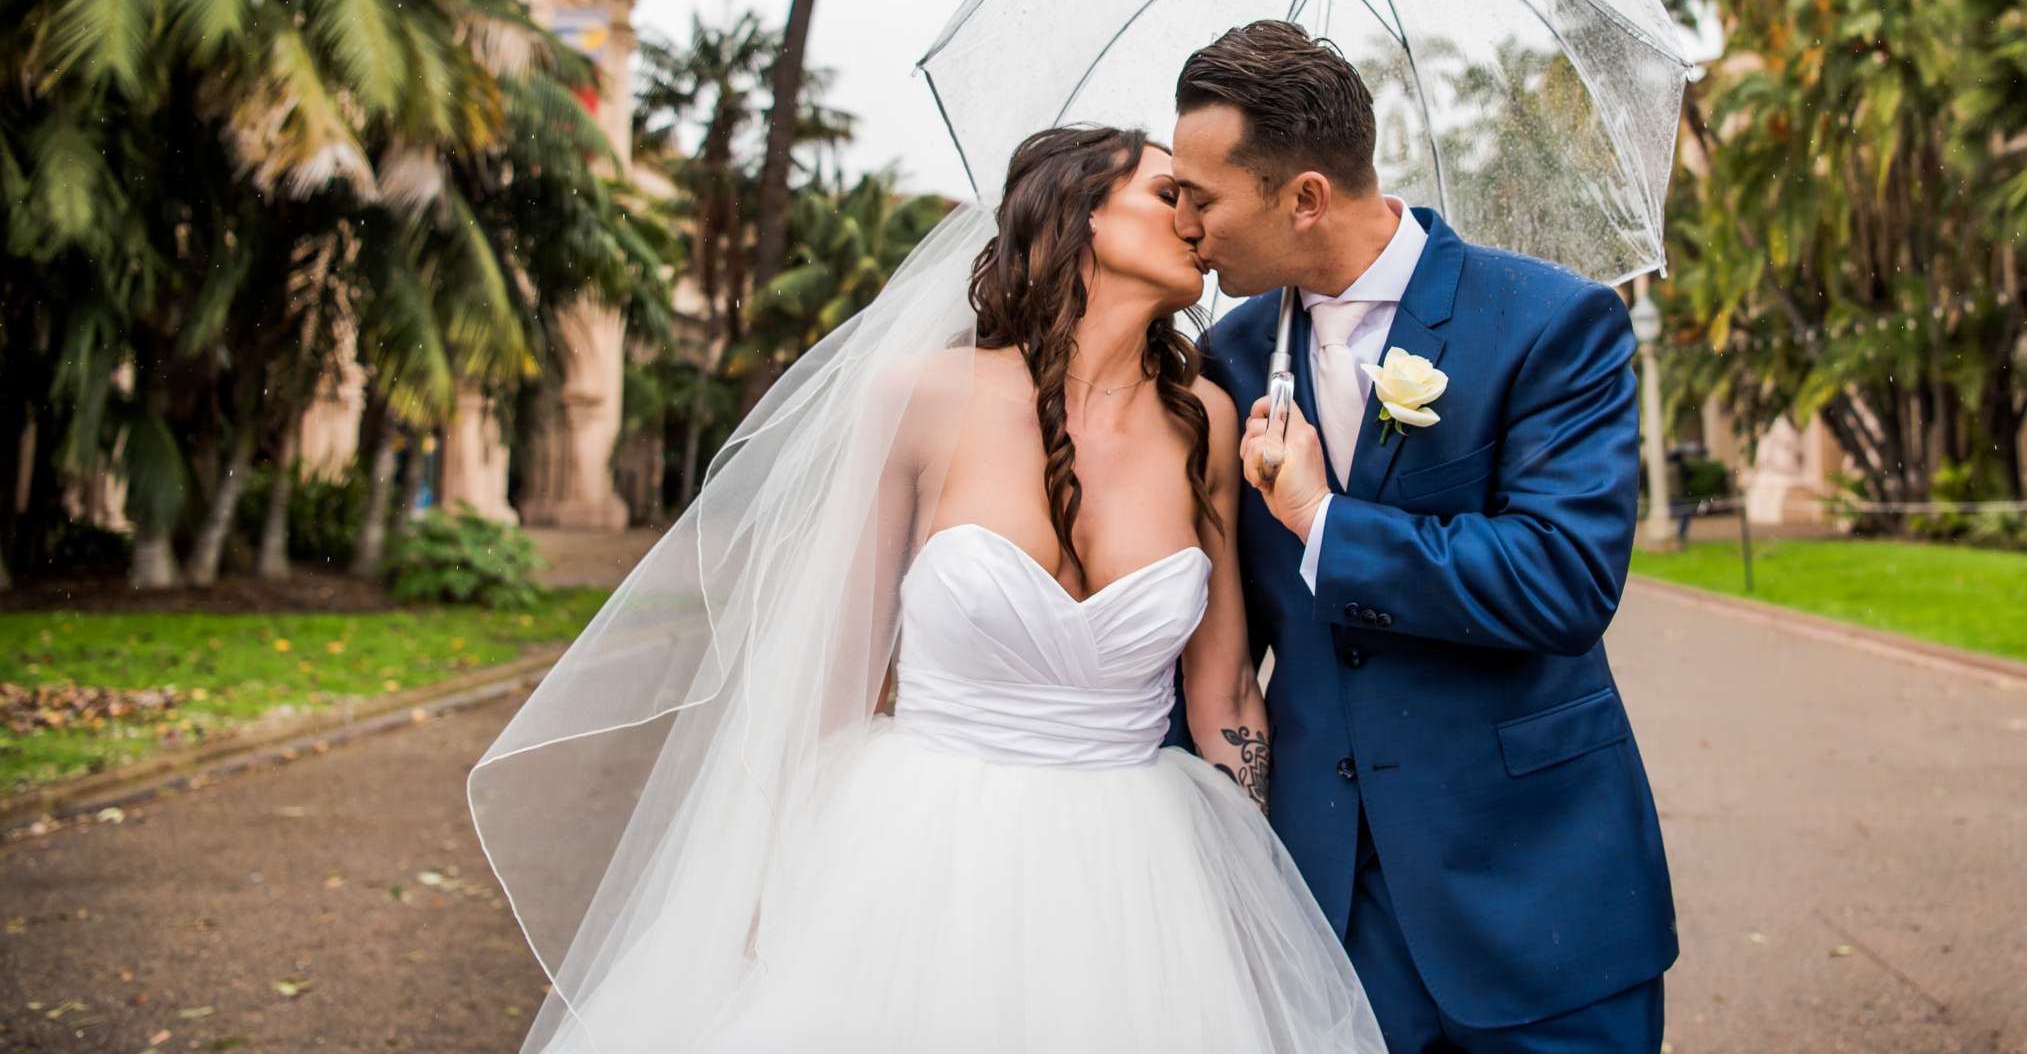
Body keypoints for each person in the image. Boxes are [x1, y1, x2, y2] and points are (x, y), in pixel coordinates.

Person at [469, 126, 1384, 1054]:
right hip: (915, 853)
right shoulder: (918, 395)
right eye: (1167, 194)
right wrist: (769, 875)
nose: (1194, 220)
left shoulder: (1213, 421)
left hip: (1137, 872)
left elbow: (1223, 693)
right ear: (1080, 214)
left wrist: (1250, 876)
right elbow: (840, 675)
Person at [1169, 20, 1678, 1054]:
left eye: (1204, 198)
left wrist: (1322, 518)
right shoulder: (1226, 360)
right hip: (1330, 909)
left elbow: (1564, 582)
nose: (1190, 228)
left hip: (1535, 889)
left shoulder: (1549, 321)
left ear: (1305, 197)